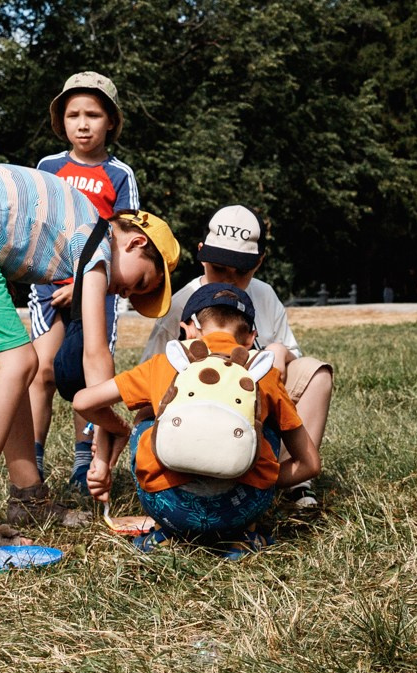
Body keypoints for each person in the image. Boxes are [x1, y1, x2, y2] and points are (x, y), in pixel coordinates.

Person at [0, 163, 179, 548]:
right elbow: (95, 354)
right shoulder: (98, 244)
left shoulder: (84, 233)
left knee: (14, 365)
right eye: (141, 282)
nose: (127, 294)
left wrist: (104, 423)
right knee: (20, 363)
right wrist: (111, 424)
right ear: (135, 243)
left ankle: (28, 497)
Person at [76, 281, 317, 545]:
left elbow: (83, 402)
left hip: (170, 508)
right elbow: (310, 464)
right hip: (240, 509)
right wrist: (264, 477)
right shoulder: (265, 374)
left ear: (187, 329)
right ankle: (246, 535)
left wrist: (119, 428)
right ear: (251, 338)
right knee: (266, 423)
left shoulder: (163, 363)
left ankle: (165, 534)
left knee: (147, 414)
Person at [139, 205, 332, 512]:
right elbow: (148, 381)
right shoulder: (181, 305)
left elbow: (293, 358)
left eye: (241, 272)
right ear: (201, 253)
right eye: (219, 268)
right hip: (195, 431)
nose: (229, 280)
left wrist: (279, 352)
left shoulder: (265, 295)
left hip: (256, 421)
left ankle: (293, 482)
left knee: (316, 373)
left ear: (260, 262)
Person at [28, 71, 140, 493]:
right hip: (47, 285)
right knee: (43, 371)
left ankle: (85, 461)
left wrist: (86, 284)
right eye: (73, 114)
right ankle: (33, 461)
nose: (83, 123)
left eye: (93, 114)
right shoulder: (48, 167)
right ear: (63, 122)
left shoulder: (120, 174)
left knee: (86, 377)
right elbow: (38, 224)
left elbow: (125, 237)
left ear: (110, 120)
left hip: (96, 289)